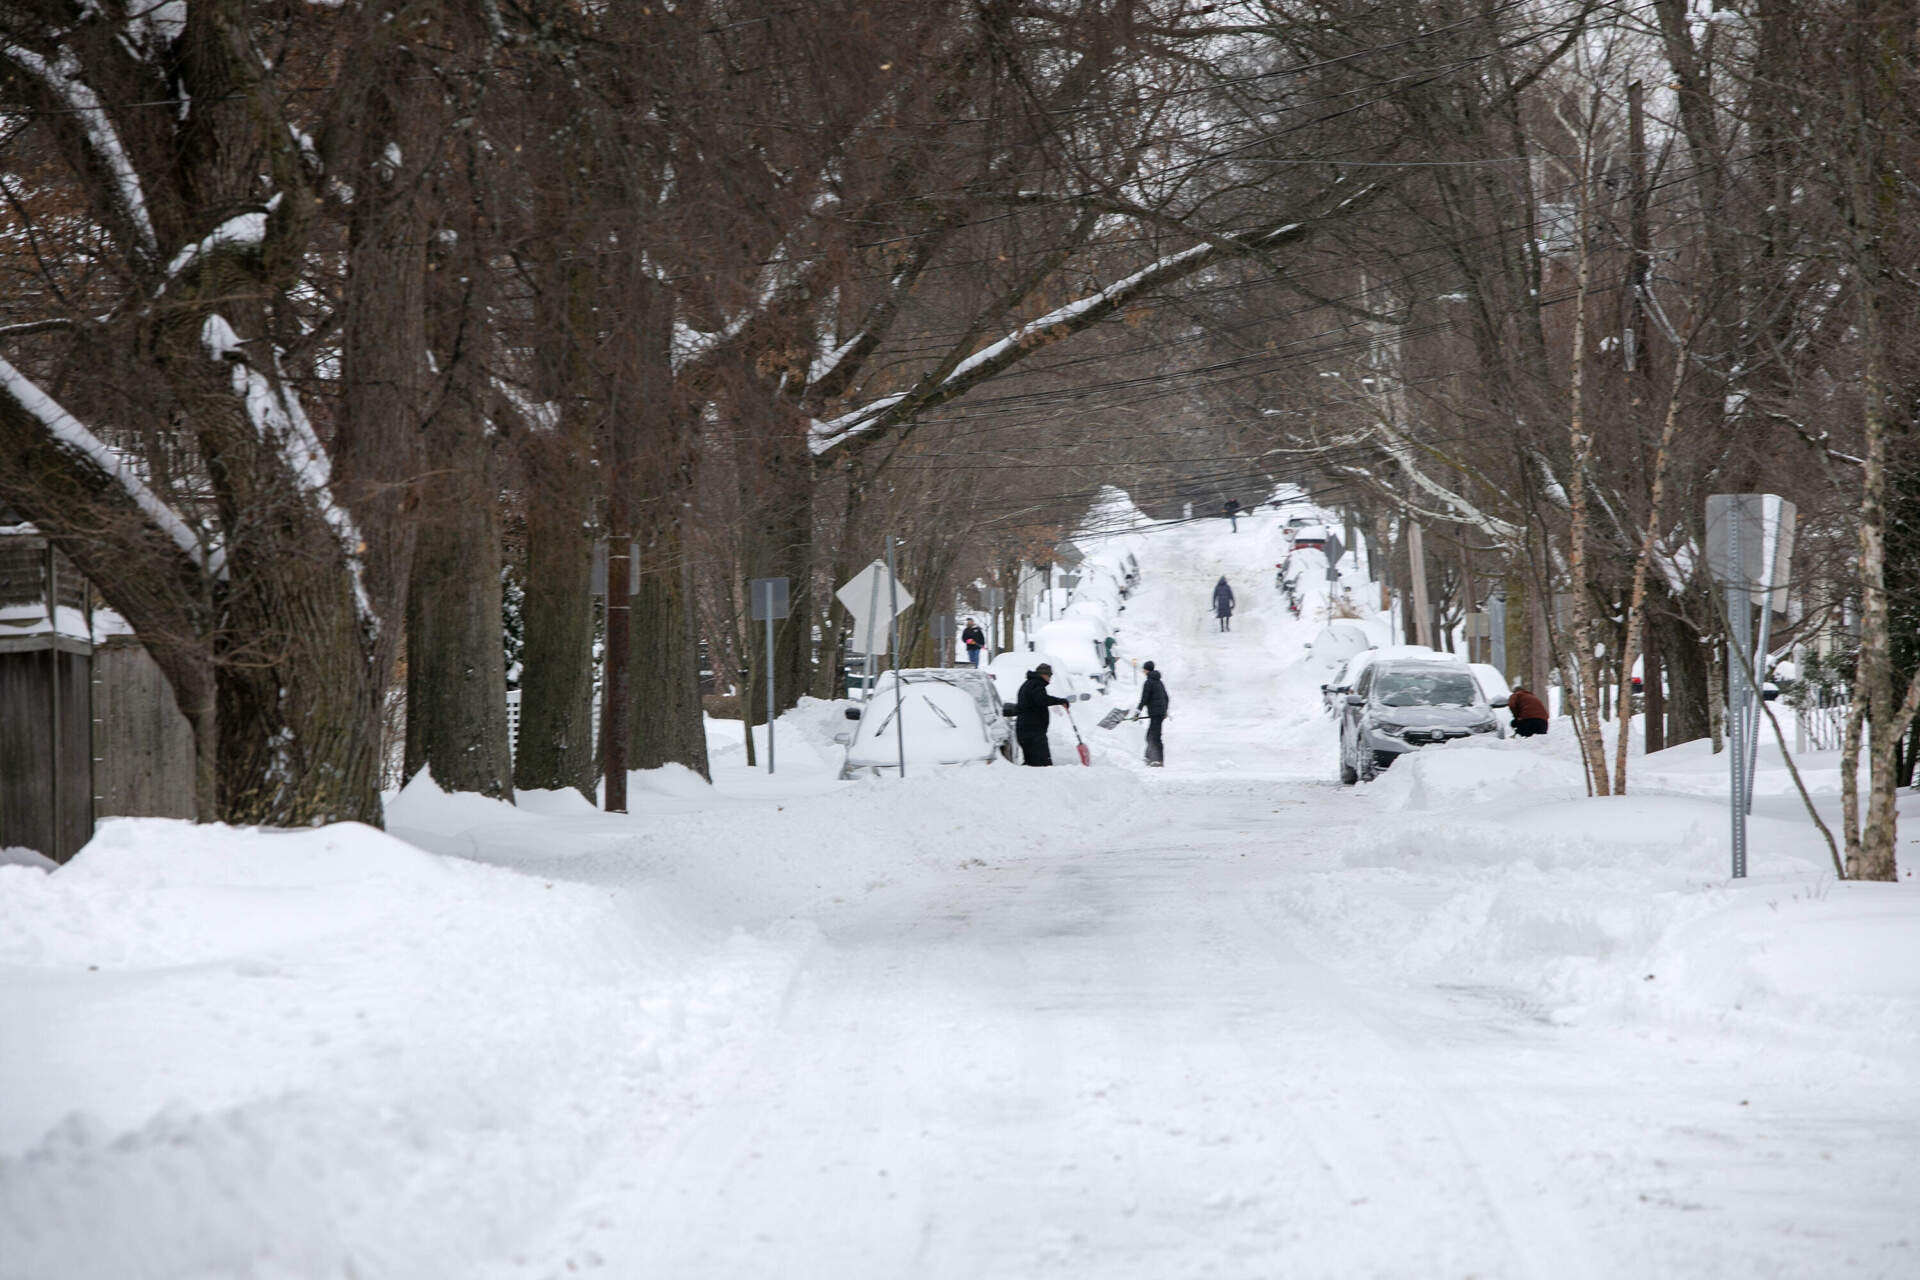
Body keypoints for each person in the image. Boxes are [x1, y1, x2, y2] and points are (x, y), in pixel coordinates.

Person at [1015, 662, 1072, 765]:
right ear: (1044, 675)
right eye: (1049, 676)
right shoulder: (1036, 684)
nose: (1050, 679)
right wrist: (1060, 701)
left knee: (1031, 763)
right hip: (1033, 732)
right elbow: (1042, 700)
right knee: (1042, 765)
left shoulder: (1029, 683)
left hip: (1027, 730)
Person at [1138, 660, 1169, 766]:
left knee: (1154, 737)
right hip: (1158, 714)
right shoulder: (1159, 682)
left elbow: (1144, 699)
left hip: (1156, 714)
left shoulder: (1149, 682)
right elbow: (1166, 697)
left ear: (1147, 670)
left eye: (1144, 669)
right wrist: (1165, 711)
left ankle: (1157, 760)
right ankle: (1149, 757)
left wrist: (1137, 712)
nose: (1143, 671)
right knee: (1151, 736)